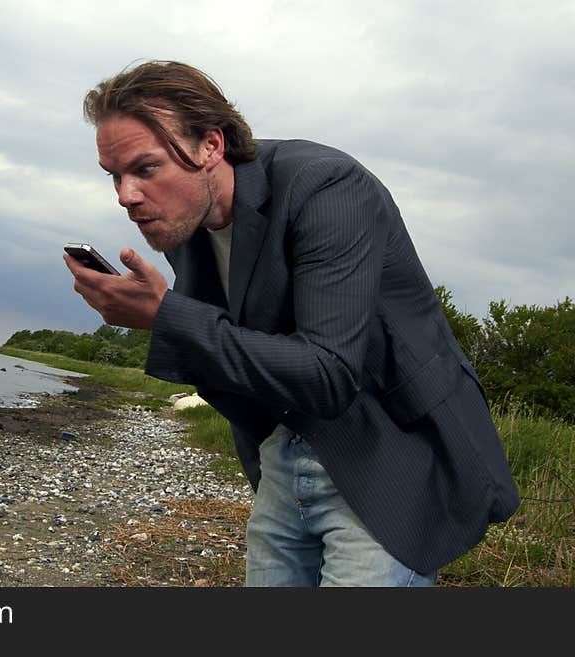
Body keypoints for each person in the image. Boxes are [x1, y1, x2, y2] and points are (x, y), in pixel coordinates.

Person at [64, 60, 520, 587]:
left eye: (145, 169)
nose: (126, 196)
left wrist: (167, 315)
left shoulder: (326, 187)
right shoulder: (186, 227)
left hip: (390, 456)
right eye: (114, 177)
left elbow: (328, 374)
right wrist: (171, 320)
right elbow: (232, 352)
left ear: (210, 146)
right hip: (285, 453)